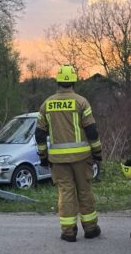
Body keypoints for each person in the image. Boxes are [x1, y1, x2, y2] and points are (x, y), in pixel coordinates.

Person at [35, 65, 102, 242]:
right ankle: (90, 229)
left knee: (66, 193)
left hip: (58, 160)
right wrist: (97, 153)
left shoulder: (46, 104)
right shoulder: (81, 102)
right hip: (82, 158)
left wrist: (43, 156)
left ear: (57, 82)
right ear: (73, 81)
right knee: (84, 191)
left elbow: (40, 134)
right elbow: (92, 131)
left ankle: (68, 232)